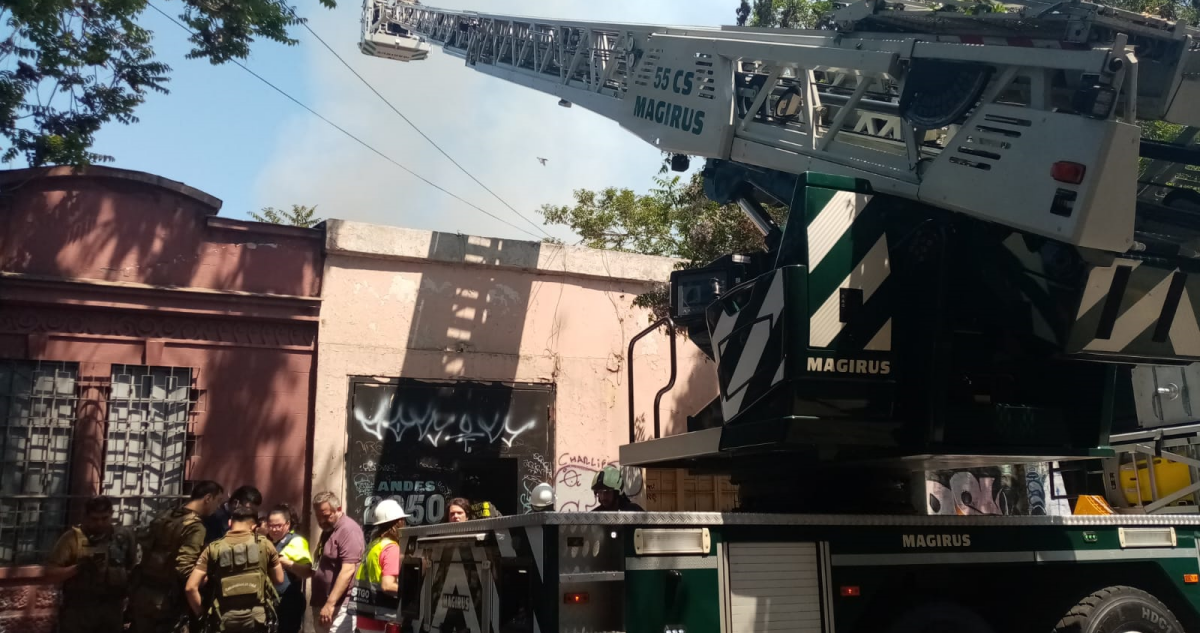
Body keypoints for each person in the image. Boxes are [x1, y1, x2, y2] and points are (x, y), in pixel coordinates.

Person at [129, 480, 225, 633]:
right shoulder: (195, 527)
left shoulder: (166, 515)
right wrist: (201, 580)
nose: (217, 506)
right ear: (208, 498)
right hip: (166, 602)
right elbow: (184, 566)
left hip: (143, 592)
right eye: (218, 501)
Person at [185, 505, 285, 633]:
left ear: (230, 522)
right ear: (254, 527)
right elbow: (279, 579)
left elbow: (190, 588)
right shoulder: (265, 545)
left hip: (224, 619)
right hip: (257, 619)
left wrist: (201, 614)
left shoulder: (213, 548)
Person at [45, 496, 137, 633]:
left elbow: (133, 570)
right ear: (86, 517)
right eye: (94, 519)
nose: (100, 523)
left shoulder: (123, 537)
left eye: (104, 518)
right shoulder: (71, 539)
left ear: (112, 514)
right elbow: (49, 574)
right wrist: (78, 568)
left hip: (112, 609)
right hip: (79, 611)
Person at [350, 499, 408, 632]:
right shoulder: (391, 548)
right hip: (381, 619)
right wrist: (412, 592)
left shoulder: (374, 545)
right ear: (399, 522)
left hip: (364, 616)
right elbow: (387, 585)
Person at [311, 491, 364, 633]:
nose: (321, 521)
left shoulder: (348, 530)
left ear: (339, 509)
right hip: (322, 603)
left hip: (340, 605)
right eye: (318, 517)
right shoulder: (328, 529)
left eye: (326, 516)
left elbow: (348, 570)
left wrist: (330, 604)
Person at [264, 504, 313, 633]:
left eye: (278, 526)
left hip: (288, 602)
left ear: (287, 524)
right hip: (268, 603)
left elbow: (307, 572)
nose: (274, 529)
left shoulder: (296, 541)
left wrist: (286, 562)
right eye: (271, 526)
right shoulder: (265, 541)